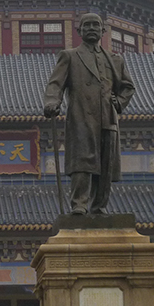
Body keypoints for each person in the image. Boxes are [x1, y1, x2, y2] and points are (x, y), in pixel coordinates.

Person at [43, 12, 135, 214]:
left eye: (96, 25)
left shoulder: (115, 60)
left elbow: (128, 87)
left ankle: (99, 205)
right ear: (79, 30)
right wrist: (52, 102)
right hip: (82, 116)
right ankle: (79, 204)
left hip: (107, 117)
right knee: (83, 160)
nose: (92, 28)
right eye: (87, 25)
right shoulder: (70, 56)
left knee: (106, 162)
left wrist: (118, 103)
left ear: (103, 31)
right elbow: (55, 83)